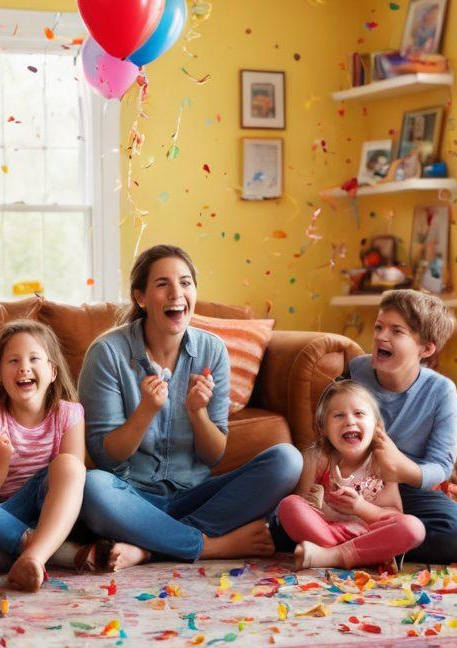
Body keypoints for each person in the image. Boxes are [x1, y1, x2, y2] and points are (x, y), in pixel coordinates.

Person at [76, 244, 303, 572]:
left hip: (195, 495)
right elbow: (106, 457)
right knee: (91, 486)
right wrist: (145, 412)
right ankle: (210, 546)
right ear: (140, 297)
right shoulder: (107, 353)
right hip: (131, 497)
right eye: (162, 284)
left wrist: (197, 413)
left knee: (287, 460)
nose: (176, 293)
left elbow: (213, 456)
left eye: (185, 283)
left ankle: (150, 547)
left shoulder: (213, 350)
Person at [323, 289, 457, 564]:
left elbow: (441, 465)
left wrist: (402, 468)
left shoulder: (441, 391)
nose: (380, 336)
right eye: (379, 327)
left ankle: (356, 542)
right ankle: (366, 536)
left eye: (396, 331)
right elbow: (326, 426)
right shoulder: (355, 372)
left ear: (426, 348)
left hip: (407, 489)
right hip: (351, 483)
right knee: (286, 517)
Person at [0, 320, 86, 592]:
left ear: (52, 372)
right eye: (13, 361)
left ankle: (14, 553)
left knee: (69, 464)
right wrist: (0, 462)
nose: (24, 367)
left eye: (34, 358)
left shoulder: (69, 413)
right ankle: (49, 552)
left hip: (50, 514)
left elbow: (74, 478)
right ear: (0, 375)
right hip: (2, 509)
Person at [277, 381, 425, 569]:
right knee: (289, 505)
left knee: (413, 528)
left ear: (377, 426)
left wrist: (360, 507)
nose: (349, 421)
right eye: (338, 415)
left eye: (359, 414)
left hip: (369, 535)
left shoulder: (382, 463)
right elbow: (303, 502)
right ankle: (355, 555)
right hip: (327, 532)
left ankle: (332, 557)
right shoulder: (317, 458)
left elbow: (393, 515)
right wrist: (320, 505)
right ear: (323, 428)